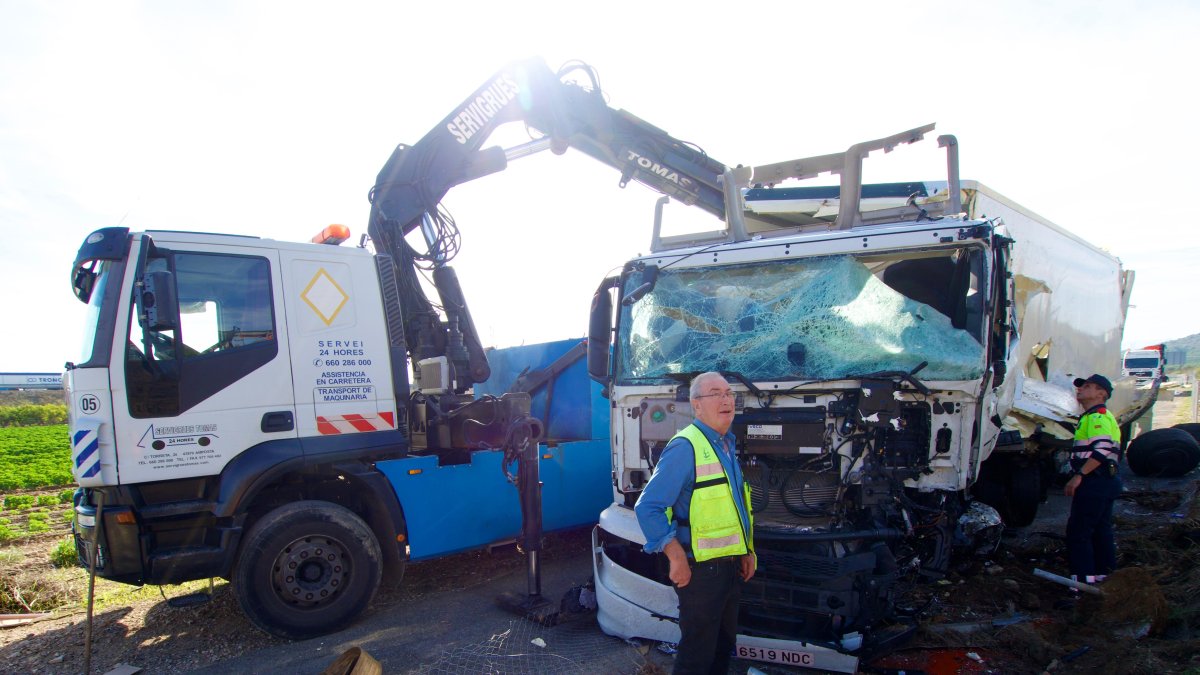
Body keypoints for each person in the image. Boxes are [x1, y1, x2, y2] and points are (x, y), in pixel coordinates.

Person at [634, 372, 755, 675]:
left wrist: (747, 550)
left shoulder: (726, 445)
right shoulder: (685, 447)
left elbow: (734, 508)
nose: (727, 399)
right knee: (697, 658)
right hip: (701, 573)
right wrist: (675, 555)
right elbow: (648, 507)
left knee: (722, 649)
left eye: (729, 393)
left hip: (729, 568)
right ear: (696, 405)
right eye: (716, 393)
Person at [1064, 373, 1122, 585]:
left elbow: (1103, 449)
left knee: (1079, 532)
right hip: (1105, 480)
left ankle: (1081, 585)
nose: (1081, 389)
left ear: (1101, 393)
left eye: (1088, 386)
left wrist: (1079, 475)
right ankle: (1104, 577)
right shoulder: (1098, 416)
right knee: (1100, 530)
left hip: (1096, 481)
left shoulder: (1097, 416)